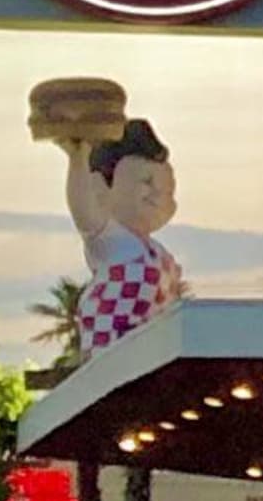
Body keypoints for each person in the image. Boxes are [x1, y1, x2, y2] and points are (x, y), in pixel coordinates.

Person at [62, 121, 186, 352]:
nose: (159, 194)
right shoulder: (114, 242)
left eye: (168, 188)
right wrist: (78, 158)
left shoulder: (159, 255)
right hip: (110, 353)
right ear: (99, 188)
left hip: (153, 355)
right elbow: (84, 211)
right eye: (147, 182)